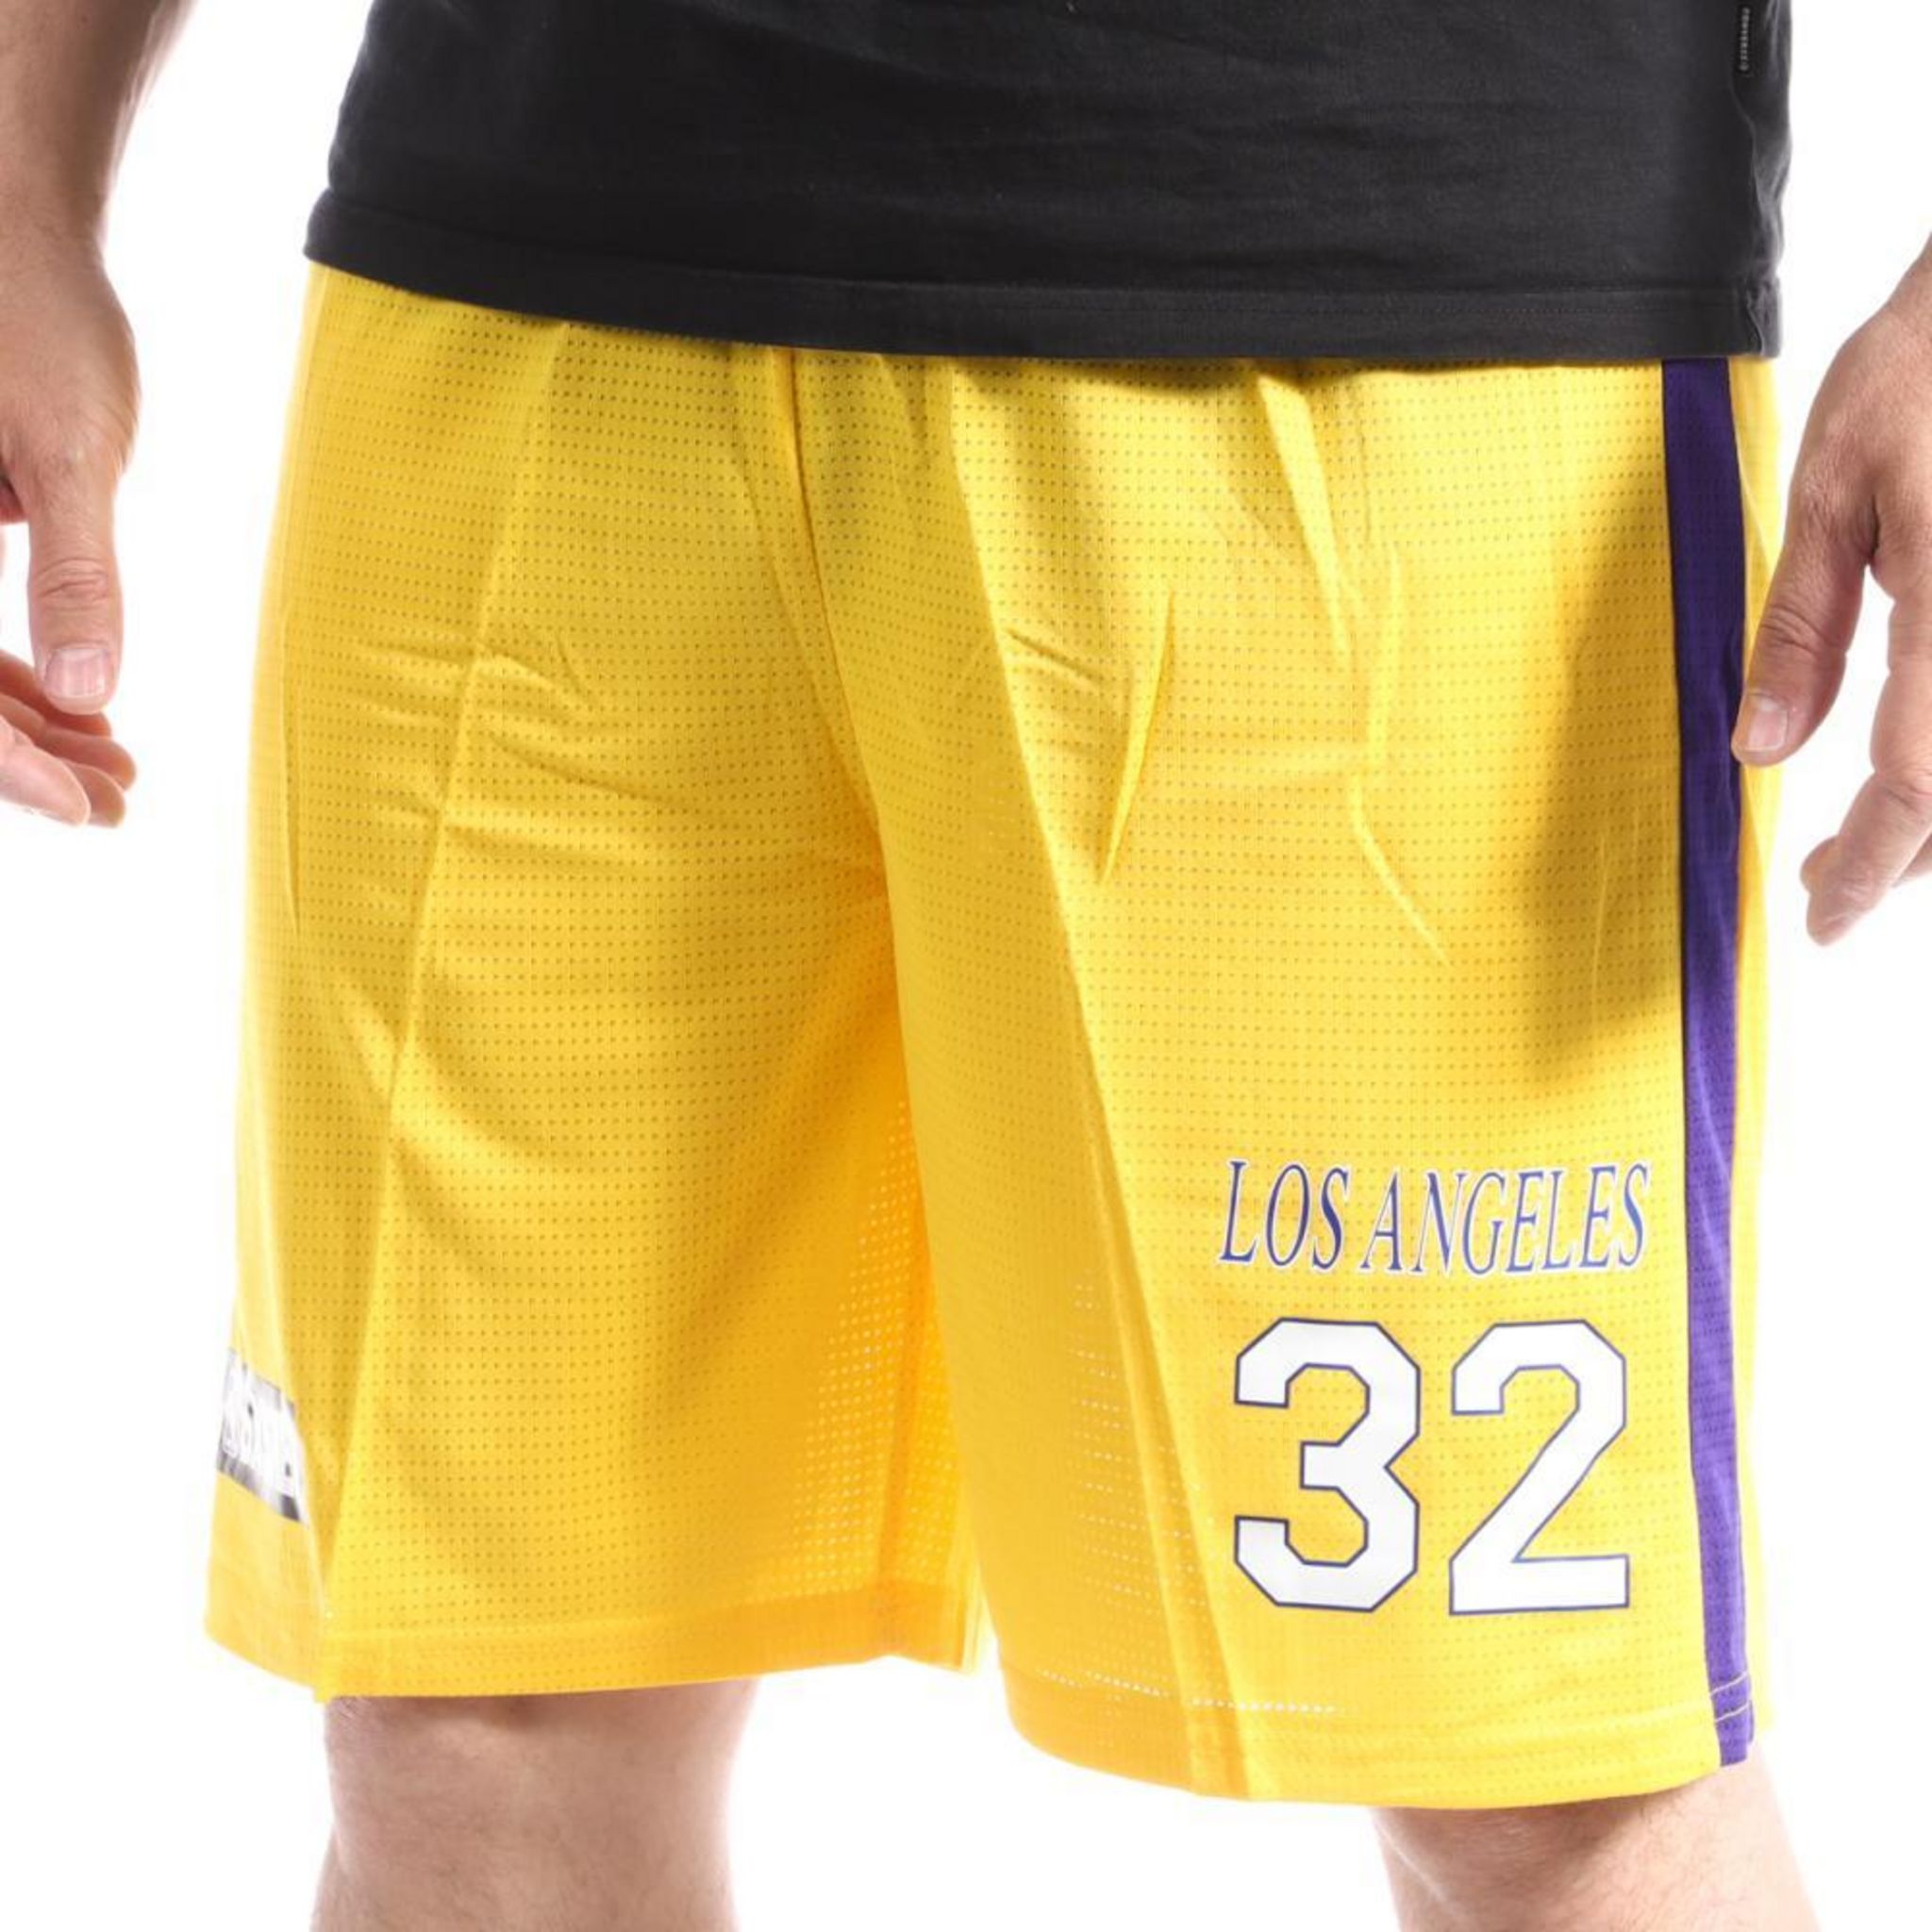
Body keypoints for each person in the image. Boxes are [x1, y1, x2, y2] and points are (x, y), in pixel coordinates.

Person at [8, 3, 1919, 1925]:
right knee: (470, 1727)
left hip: (1405, 335)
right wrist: (21, 166)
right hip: (526, 297)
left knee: (1539, 1777)